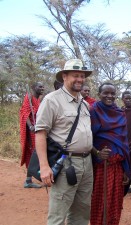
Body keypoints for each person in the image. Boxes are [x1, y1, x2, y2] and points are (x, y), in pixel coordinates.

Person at [35, 59, 94, 225]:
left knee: (81, 213)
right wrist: (44, 166)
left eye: (82, 76)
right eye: (75, 75)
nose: (80, 79)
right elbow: (40, 133)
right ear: (65, 76)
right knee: (58, 214)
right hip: (65, 163)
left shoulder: (84, 103)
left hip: (86, 163)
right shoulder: (51, 100)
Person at [90, 83, 131, 225]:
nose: (109, 96)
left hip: (118, 164)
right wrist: (97, 153)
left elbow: (124, 142)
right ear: (99, 94)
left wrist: (126, 169)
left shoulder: (120, 113)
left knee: (115, 201)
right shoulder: (93, 111)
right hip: (101, 165)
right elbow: (89, 138)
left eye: (112, 93)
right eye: (105, 93)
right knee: (100, 201)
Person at [20, 82, 44, 188]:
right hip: (31, 131)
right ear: (33, 88)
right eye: (40, 86)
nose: (42, 88)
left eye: (43, 86)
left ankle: (31, 178)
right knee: (33, 154)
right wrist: (30, 127)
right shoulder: (29, 97)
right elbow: (25, 113)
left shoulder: (37, 99)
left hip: (37, 129)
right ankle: (28, 181)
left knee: (37, 154)